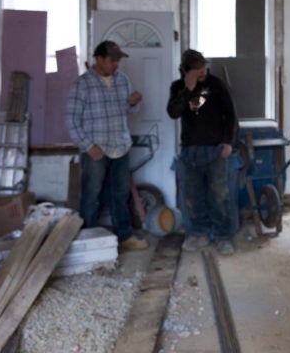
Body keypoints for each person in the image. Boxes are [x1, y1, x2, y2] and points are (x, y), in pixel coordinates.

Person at [65, 40, 148, 251]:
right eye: (112, 61)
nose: (116, 65)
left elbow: (130, 112)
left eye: (118, 61)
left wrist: (134, 103)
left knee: (120, 195)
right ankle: (89, 242)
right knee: (91, 197)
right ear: (99, 59)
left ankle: (125, 237)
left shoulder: (122, 80)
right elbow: (71, 121)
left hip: (120, 146)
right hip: (96, 149)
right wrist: (88, 146)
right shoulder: (82, 84)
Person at [167, 49, 237, 255]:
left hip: (216, 149)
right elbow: (173, 112)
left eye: (203, 67)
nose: (202, 72)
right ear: (184, 71)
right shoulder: (178, 87)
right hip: (190, 150)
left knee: (219, 195)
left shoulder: (216, 85)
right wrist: (188, 90)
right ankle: (199, 234)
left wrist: (228, 142)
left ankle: (223, 237)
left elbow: (230, 115)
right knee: (194, 196)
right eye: (197, 69)